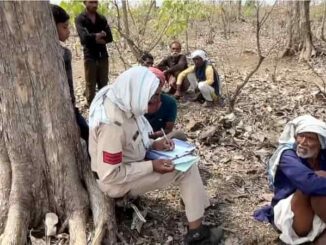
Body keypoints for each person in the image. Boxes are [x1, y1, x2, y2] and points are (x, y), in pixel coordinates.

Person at [88, 66, 223, 244]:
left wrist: (153, 144)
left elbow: (132, 141)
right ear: (139, 94)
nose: (159, 102)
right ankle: (197, 234)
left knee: (187, 161)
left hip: (130, 163)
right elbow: (111, 175)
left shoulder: (123, 100)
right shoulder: (113, 125)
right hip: (116, 183)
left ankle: (195, 205)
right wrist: (152, 166)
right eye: (154, 97)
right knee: (186, 169)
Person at [254, 115, 326, 244]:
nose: (303, 141)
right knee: (320, 177)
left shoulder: (323, 155)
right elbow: (308, 184)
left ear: (319, 143)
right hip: (291, 211)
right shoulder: (287, 156)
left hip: (317, 205)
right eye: (301, 136)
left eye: (310, 138)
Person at [51, 4, 89, 145]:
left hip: (69, 106)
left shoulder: (65, 53)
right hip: (65, 108)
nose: (68, 32)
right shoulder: (63, 54)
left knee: (85, 131)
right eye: (64, 27)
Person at [75, 0, 113, 106]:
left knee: (104, 84)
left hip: (103, 56)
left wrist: (92, 37)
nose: (94, 5)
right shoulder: (80, 19)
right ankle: (92, 107)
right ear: (85, 2)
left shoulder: (101, 18)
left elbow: (110, 37)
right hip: (90, 56)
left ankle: (103, 107)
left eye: (96, 2)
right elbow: (84, 38)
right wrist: (99, 35)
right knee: (90, 85)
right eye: (91, 2)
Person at [145, 67, 187, 141]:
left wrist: (156, 135)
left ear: (161, 86)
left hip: (158, 139)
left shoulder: (169, 103)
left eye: (156, 84)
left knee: (179, 135)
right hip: (137, 140)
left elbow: (168, 129)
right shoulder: (135, 101)